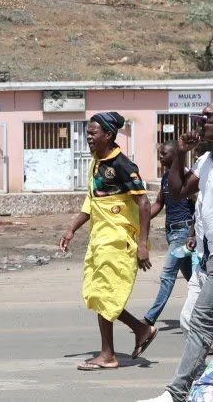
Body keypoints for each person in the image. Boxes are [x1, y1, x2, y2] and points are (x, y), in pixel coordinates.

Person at [59, 111, 154, 371]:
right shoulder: (96, 163)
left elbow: (144, 204)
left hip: (118, 241)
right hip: (99, 240)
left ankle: (108, 354)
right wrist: (72, 229)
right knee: (97, 294)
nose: (88, 137)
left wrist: (143, 244)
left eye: (93, 133)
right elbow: (91, 201)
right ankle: (140, 329)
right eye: (87, 133)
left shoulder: (123, 165)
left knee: (105, 294)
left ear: (109, 135)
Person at [139, 103, 213, 402]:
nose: (201, 120)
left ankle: (177, 392)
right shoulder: (206, 159)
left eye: (208, 117)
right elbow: (180, 191)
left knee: (200, 322)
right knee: (194, 320)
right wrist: (181, 154)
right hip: (206, 258)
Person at [142, 140, 195, 327]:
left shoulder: (188, 176)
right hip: (171, 233)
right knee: (194, 280)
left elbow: (198, 204)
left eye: (164, 154)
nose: (160, 157)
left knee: (167, 275)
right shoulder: (166, 178)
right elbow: (158, 204)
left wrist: (192, 232)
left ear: (175, 155)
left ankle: (149, 319)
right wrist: (143, 219)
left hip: (183, 233)